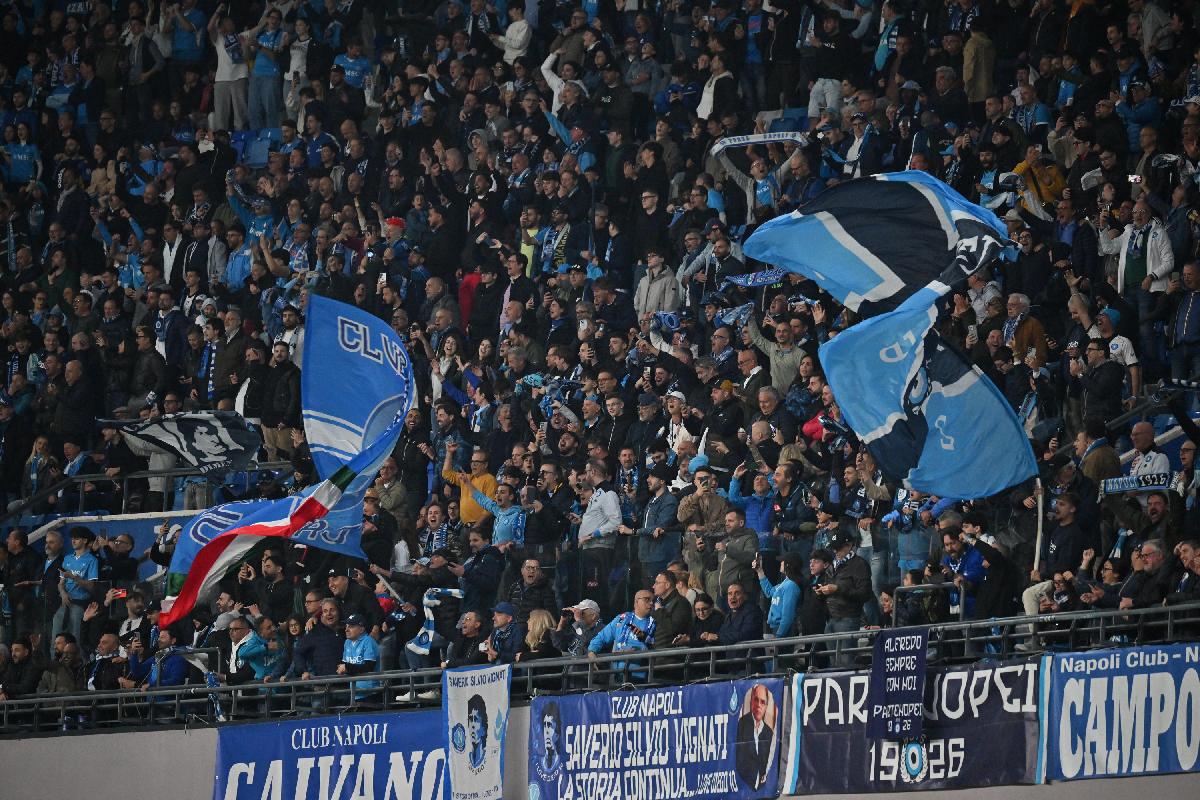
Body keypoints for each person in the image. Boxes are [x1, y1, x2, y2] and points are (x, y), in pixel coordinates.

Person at [587, 590, 656, 678]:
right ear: (636, 602)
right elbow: (601, 637)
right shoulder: (622, 619)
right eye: (647, 599)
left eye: (653, 601)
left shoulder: (655, 621)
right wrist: (592, 652)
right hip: (617, 676)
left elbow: (657, 645)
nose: (651, 603)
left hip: (642, 677)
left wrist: (636, 650)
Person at [735, 683, 775, 791]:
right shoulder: (741, 724)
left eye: (762, 702)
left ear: (766, 707)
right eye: (756, 700)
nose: (758, 705)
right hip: (744, 786)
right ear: (751, 701)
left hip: (762, 788)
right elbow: (738, 762)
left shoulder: (768, 733)